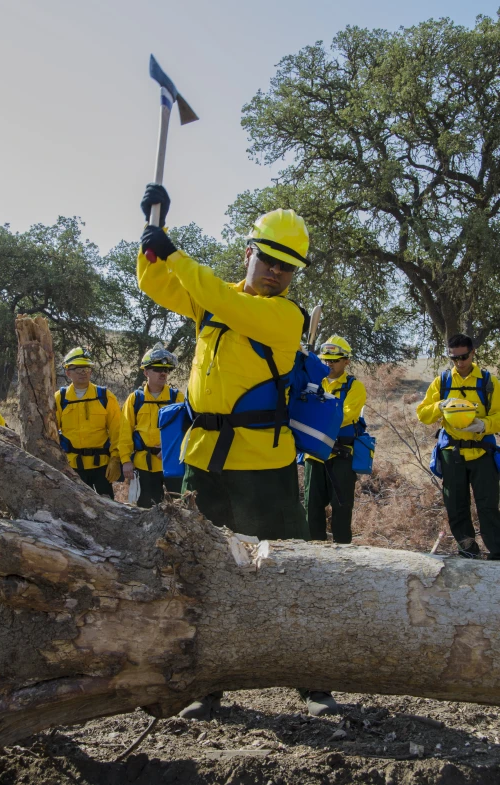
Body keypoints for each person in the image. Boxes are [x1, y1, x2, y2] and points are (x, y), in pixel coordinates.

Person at [137, 185, 337, 719]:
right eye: (269, 260)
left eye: (287, 268)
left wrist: (176, 252)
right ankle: (208, 686)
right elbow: (155, 282)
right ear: (249, 252)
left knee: (290, 571)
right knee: (200, 571)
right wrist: (152, 235)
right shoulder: (212, 295)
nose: (276, 273)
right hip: (204, 461)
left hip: (264, 466)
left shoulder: (285, 318)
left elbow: (223, 300)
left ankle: (312, 684)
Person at [417, 334, 500, 559]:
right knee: (456, 507)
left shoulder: (488, 381)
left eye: (463, 357)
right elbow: (423, 414)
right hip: (452, 455)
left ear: (473, 353)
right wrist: (440, 405)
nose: (459, 362)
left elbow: (499, 415)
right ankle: (468, 552)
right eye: (454, 358)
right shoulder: (442, 382)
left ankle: (497, 552)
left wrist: (484, 424)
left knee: (488, 506)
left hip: (482, 452)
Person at [303, 336, 366, 543]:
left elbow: (343, 417)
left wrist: (315, 412)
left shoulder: (355, 387)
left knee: (341, 509)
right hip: (313, 457)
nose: (329, 364)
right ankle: (315, 555)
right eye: (325, 360)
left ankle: (344, 557)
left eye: (335, 360)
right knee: (311, 509)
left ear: (346, 360)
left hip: (341, 456)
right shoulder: (311, 381)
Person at [119, 343, 185, 507]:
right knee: (147, 510)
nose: (163, 373)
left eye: (166, 370)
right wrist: (126, 460)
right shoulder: (135, 399)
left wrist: (170, 450)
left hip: (172, 464)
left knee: (179, 508)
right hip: (144, 466)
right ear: (146, 372)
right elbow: (125, 432)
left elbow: (185, 430)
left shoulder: (177, 397)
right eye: (157, 369)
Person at [55, 348, 121, 498]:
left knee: (108, 508)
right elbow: (51, 432)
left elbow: (118, 430)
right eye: (77, 368)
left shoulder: (105, 396)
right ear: (67, 372)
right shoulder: (60, 398)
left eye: (86, 368)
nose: (83, 372)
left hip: (102, 466)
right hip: (72, 467)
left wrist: (116, 459)